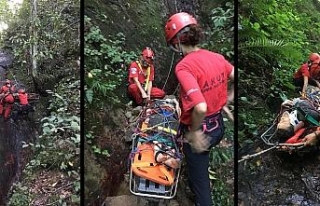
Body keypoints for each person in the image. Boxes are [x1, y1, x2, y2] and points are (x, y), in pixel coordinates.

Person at [164, 12, 234, 206]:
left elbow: (200, 107)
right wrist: (228, 97)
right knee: (202, 157)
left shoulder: (184, 67)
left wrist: (194, 133)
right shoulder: (217, 57)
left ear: (177, 43)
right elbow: (235, 75)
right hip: (218, 127)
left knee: (201, 188)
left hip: (201, 131)